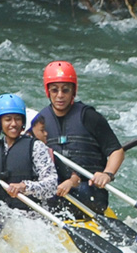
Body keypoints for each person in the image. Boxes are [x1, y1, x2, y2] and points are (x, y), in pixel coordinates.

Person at [39, 60, 125, 214]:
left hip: (89, 193)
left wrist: (107, 174)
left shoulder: (90, 117)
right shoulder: (40, 122)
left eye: (65, 90)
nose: (60, 95)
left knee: (84, 190)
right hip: (56, 193)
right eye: (54, 90)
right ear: (48, 91)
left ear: (73, 91)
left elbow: (116, 151)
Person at [0, 93, 58, 210]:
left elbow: (51, 185)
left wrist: (24, 186)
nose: (14, 124)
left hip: (31, 216)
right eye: (8, 119)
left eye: (18, 119)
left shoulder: (36, 147)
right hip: (1, 214)